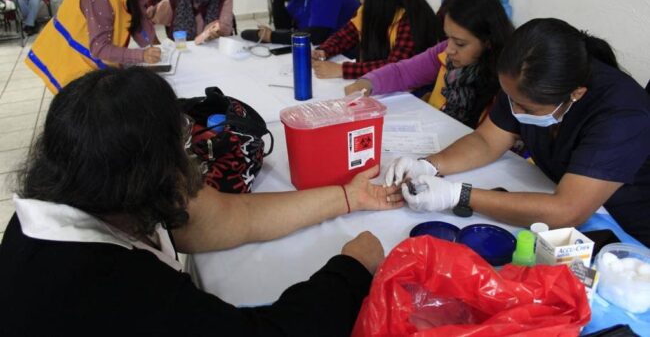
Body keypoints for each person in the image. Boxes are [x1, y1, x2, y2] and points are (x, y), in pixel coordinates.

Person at [0, 67, 404, 336]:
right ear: (154, 172)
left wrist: (348, 197)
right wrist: (351, 270)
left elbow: (231, 217)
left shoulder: (78, 198)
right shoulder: (111, 287)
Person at [385, 18, 650, 246]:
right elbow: (487, 140)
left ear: (576, 94)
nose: (514, 110)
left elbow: (567, 210)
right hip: (561, 202)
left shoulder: (622, 113)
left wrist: (458, 195)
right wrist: (428, 165)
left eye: (526, 107)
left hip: (624, 234)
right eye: (509, 98)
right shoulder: (523, 80)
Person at [345, 0, 513, 128]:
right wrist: (367, 83)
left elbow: (489, 141)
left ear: (488, 42)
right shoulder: (444, 51)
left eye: (460, 43)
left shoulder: (508, 79)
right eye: (448, 38)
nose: (450, 49)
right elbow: (403, 72)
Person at [25, 0, 163, 94]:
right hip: (70, 59)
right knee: (84, 110)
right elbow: (100, 48)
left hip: (92, 59)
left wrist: (160, 50)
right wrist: (142, 55)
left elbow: (138, 24)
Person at [312, 0, 443, 81]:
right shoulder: (369, 9)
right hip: (377, 86)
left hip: (411, 94)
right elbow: (344, 37)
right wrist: (323, 50)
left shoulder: (413, 18)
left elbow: (395, 67)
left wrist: (342, 70)